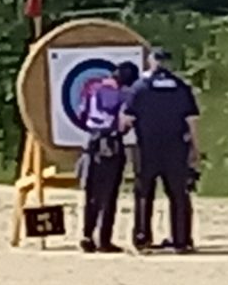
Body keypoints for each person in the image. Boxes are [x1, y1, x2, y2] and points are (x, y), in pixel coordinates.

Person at [122, 48, 200, 253]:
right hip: (176, 148)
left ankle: (142, 239)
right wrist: (195, 149)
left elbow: (127, 119)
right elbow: (191, 121)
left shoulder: (139, 87)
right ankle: (181, 240)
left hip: (147, 148)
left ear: (151, 62)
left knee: (143, 194)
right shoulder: (182, 87)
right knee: (179, 194)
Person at [77, 60, 139, 254]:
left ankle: (86, 235)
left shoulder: (92, 89)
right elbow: (123, 123)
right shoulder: (124, 95)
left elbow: (81, 114)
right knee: (109, 194)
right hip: (111, 144)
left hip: (91, 142)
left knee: (91, 193)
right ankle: (104, 240)